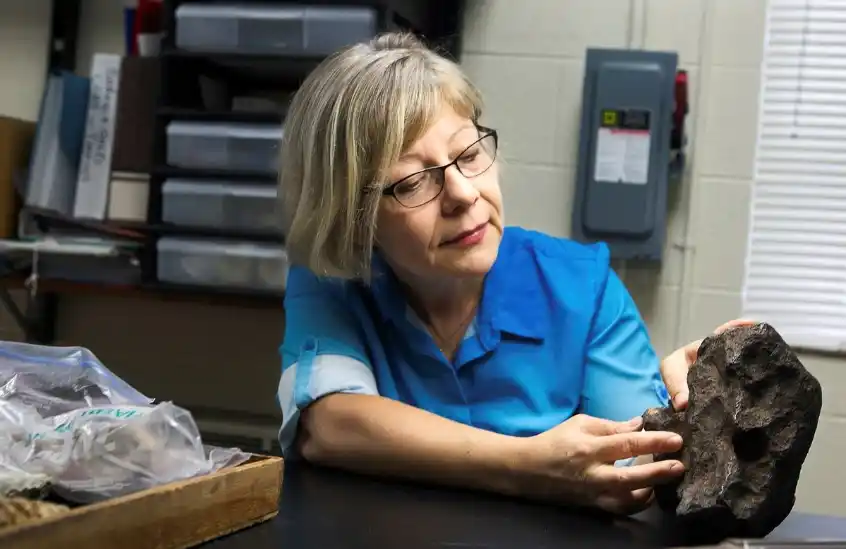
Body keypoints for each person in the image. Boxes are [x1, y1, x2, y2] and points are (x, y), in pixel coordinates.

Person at [275, 31, 753, 515]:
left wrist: (687, 417)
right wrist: (526, 465)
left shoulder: (582, 287)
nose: (463, 194)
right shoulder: (330, 283)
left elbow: (633, 468)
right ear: (350, 216)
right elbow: (329, 424)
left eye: (468, 154)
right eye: (414, 181)